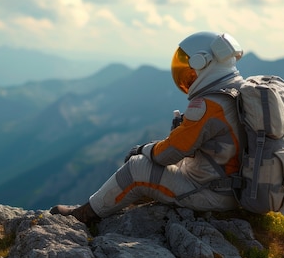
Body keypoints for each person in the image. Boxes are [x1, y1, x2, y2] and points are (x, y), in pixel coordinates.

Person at [50, 31, 247, 224]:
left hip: (212, 194)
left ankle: (82, 216)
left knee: (137, 167)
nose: (186, 73)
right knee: (166, 166)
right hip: (233, 188)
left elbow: (166, 155)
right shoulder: (239, 92)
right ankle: (128, 198)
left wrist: (143, 149)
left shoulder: (210, 105)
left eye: (189, 66)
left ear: (202, 63)